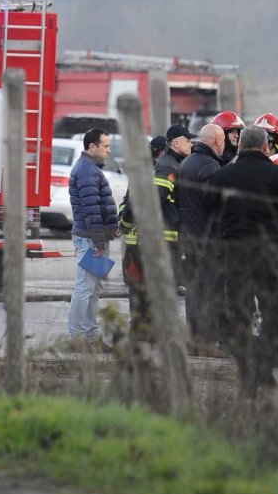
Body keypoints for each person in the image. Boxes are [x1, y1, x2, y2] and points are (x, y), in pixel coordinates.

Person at [208, 125, 278, 396]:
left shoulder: (224, 175)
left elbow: (208, 209)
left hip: (235, 253)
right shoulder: (277, 174)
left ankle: (250, 374)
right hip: (268, 253)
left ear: (239, 147)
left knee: (239, 314)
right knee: (274, 312)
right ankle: (262, 367)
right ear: (265, 147)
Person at [176, 123, 226, 350]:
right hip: (208, 241)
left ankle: (194, 338)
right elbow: (216, 207)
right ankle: (207, 340)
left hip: (189, 238)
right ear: (217, 141)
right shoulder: (211, 167)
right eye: (223, 141)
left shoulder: (185, 164)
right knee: (211, 292)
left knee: (194, 291)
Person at [67, 127, 119, 349]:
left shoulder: (91, 169)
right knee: (84, 289)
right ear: (92, 147)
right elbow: (91, 210)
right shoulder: (87, 171)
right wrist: (99, 241)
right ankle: (77, 338)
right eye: (105, 146)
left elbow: (99, 207)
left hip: (94, 238)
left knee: (93, 289)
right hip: (90, 240)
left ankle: (90, 337)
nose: (108, 151)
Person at [116, 136, 165, 342]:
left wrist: (123, 225)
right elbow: (132, 205)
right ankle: (145, 330)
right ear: (161, 152)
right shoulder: (154, 173)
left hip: (134, 241)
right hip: (145, 241)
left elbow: (125, 204)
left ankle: (140, 328)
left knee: (137, 289)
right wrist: (125, 223)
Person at [155, 124, 196, 287]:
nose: (191, 144)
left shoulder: (175, 162)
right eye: (188, 141)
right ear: (176, 143)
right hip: (169, 236)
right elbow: (156, 198)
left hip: (174, 234)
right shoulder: (168, 166)